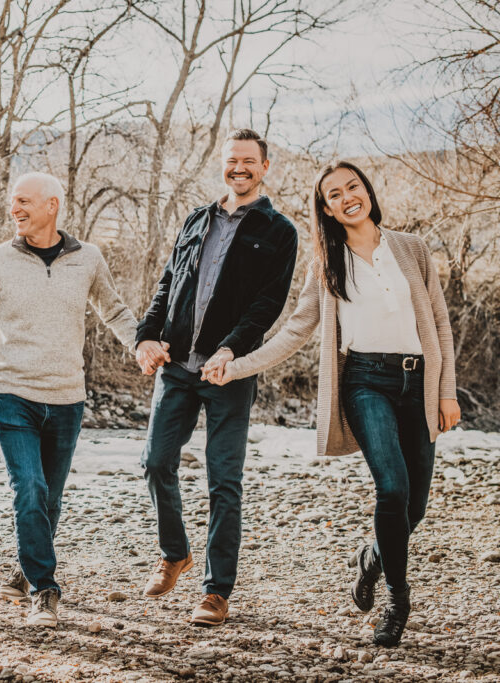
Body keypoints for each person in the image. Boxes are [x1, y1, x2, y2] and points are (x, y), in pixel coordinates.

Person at [209, 160, 460, 646]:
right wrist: (236, 364)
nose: (348, 197)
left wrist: (447, 392)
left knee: (416, 506)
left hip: (419, 383)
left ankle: (370, 557)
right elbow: (296, 331)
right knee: (392, 489)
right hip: (366, 382)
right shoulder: (328, 263)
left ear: (366, 190)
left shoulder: (411, 248)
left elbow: (441, 325)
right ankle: (396, 599)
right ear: (325, 208)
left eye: (353, 187)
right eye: (334, 194)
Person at [0, 172, 138, 627]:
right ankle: (45, 590)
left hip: (67, 395)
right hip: (11, 392)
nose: (14, 209)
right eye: (12, 202)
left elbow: (113, 309)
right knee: (29, 489)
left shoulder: (88, 258)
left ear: (52, 205)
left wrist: (143, 345)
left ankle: (25, 567)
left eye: (24, 202)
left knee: (49, 499)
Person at [135, 128, 299, 626]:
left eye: (249, 161)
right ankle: (175, 553)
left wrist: (232, 349)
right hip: (178, 366)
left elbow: (268, 305)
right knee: (155, 462)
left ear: (264, 167)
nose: (239, 168)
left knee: (223, 480)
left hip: (230, 372)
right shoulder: (197, 219)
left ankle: (216, 591)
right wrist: (146, 334)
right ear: (222, 164)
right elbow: (167, 283)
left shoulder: (279, 231)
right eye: (232, 160)